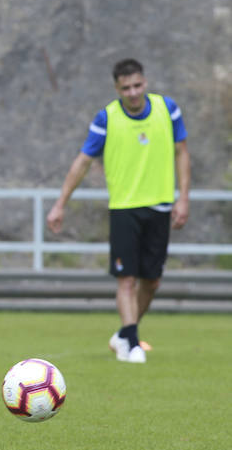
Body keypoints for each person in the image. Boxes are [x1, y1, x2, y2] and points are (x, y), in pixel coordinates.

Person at [47, 58, 190, 363]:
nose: (133, 92)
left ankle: (125, 334)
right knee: (126, 279)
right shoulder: (106, 118)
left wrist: (184, 198)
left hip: (161, 205)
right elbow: (83, 161)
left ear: (145, 82)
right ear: (117, 88)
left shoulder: (168, 109)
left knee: (152, 281)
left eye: (137, 85)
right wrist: (60, 204)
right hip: (124, 208)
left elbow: (182, 152)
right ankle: (132, 341)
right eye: (126, 88)